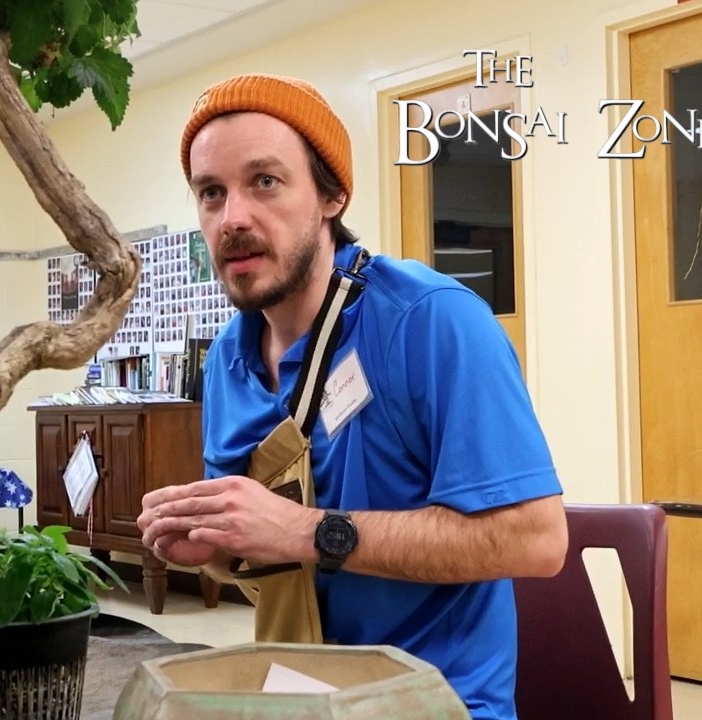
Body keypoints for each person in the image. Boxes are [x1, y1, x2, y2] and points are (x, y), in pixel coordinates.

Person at [137, 73, 568, 719]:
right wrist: (218, 549)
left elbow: (533, 539)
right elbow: (267, 545)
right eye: (211, 193)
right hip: (297, 689)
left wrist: (310, 532)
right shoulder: (228, 357)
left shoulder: (431, 322)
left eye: (265, 182)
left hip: (436, 701)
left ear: (332, 194)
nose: (233, 219)